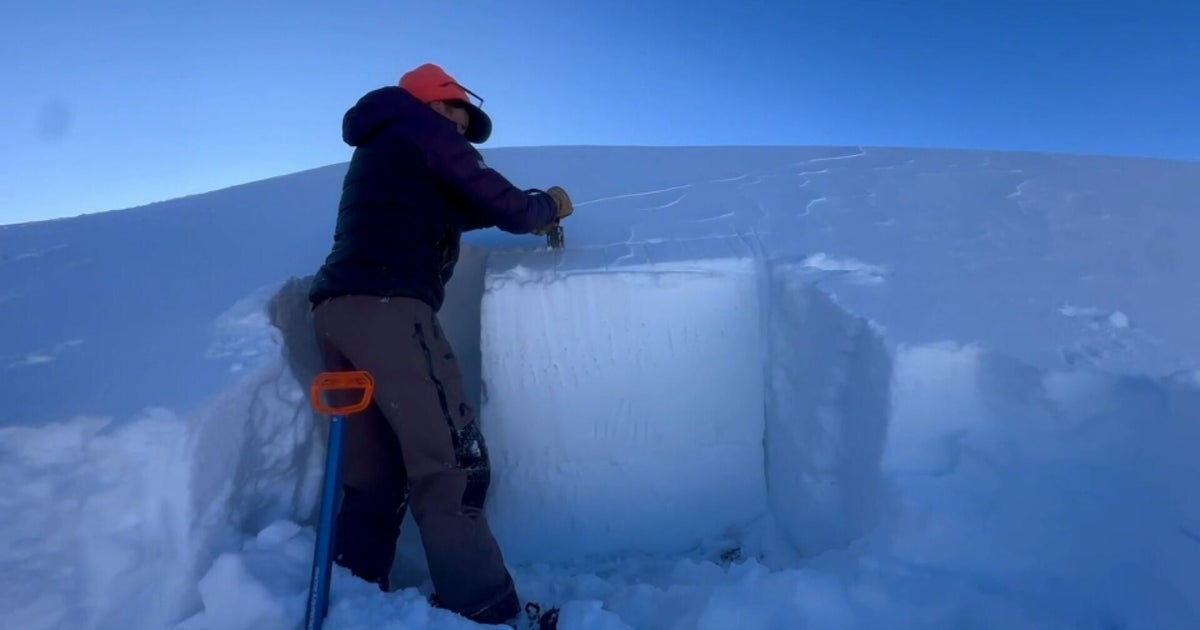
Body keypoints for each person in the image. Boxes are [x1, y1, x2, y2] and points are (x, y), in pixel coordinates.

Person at [306, 62, 573, 625]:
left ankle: (356, 597)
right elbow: (505, 202)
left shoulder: (385, 143)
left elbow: (465, 205)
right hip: (390, 310)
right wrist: (548, 204)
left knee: (374, 475)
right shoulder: (421, 128)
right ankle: (485, 608)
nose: (460, 132)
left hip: (337, 312)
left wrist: (523, 210)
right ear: (433, 102)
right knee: (453, 462)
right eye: (457, 118)